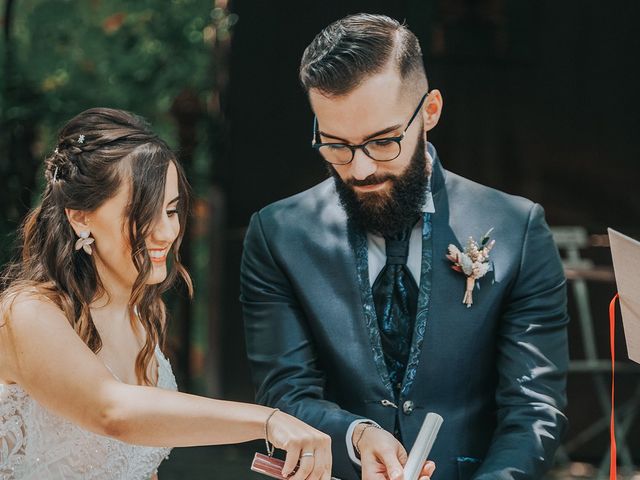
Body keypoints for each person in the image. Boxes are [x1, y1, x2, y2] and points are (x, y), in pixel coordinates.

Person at [241, 13, 569, 480]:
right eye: (335, 145)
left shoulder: (518, 228)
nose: (358, 170)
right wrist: (355, 434)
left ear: (430, 111)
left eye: (382, 142)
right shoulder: (278, 235)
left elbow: (533, 409)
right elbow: (284, 394)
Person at [0, 108, 332, 480]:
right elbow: (112, 412)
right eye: (142, 214)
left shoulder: (141, 315)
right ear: (79, 216)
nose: (165, 232)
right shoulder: (26, 313)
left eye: (171, 210)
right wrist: (268, 420)